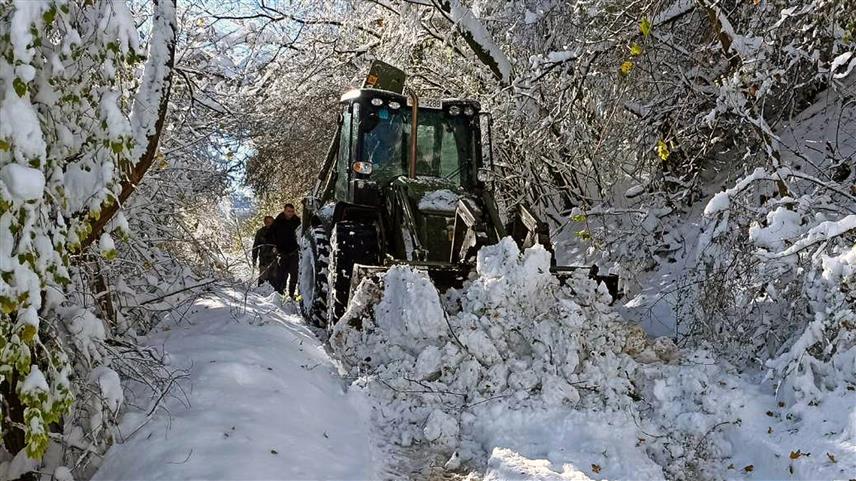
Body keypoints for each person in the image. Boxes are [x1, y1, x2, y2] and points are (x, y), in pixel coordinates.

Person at [270, 203, 301, 297]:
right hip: (281, 252)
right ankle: (280, 294)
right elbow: (272, 234)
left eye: (292, 211)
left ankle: (291, 295)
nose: (290, 213)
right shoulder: (278, 221)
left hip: (294, 251)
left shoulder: (297, 221)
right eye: (288, 211)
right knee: (281, 274)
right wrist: (274, 246)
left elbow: (300, 234)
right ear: (284, 211)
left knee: (294, 274)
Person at [251, 216, 276, 286]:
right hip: (263, 259)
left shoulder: (277, 232)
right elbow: (255, 246)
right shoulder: (260, 232)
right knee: (263, 278)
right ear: (265, 223)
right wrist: (254, 258)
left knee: (274, 279)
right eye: (268, 222)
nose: (270, 224)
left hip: (275, 259)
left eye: (271, 222)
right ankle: (260, 292)